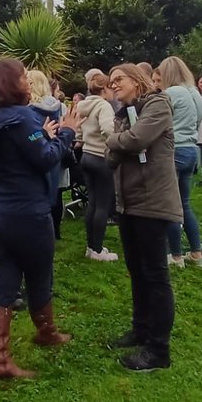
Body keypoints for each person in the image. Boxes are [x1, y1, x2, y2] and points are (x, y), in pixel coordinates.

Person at [0, 59, 81, 379]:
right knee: (40, 276)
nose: (29, 81)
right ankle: (46, 332)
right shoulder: (22, 118)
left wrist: (39, 135)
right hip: (28, 214)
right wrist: (66, 133)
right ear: (13, 83)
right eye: (24, 77)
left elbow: (23, 147)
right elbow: (46, 159)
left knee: (6, 280)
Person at [105, 63, 181, 372]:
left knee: (155, 275)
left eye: (118, 79)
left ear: (137, 80)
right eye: (110, 82)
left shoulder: (157, 105)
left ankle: (158, 350)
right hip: (129, 203)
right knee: (136, 271)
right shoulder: (126, 113)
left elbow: (134, 141)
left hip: (152, 203)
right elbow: (113, 157)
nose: (113, 85)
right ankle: (140, 329)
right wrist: (119, 142)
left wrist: (113, 139)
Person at [156, 56, 202, 267]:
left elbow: (159, 120)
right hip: (192, 149)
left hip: (173, 150)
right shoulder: (194, 93)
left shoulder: (171, 93)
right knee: (185, 204)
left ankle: (175, 255)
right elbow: (199, 120)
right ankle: (196, 252)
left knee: (170, 206)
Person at [76, 73, 118, 262]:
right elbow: (108, 129)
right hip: (101, 157)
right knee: (102, 205)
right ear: (104, 89)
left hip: (86, 155)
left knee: (92, 203)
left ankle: (90, 246)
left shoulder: (81, 105)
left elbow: (77, 130)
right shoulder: (104, 105)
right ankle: (98, 249)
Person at [27, 69, 66, 243]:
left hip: (37, 149)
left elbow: (31, 136)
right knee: (54, 192)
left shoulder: (29, 109)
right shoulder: (55, 106)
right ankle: (54, 232)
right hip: (54, 149)